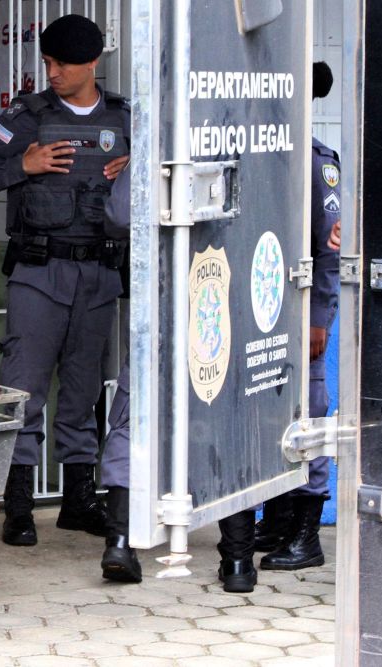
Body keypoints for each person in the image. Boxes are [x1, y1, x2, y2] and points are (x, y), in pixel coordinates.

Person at [0, 14, 130, 547]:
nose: (52, 73)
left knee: (82, 391)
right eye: (49, 62)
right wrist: (23, 166)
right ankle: (18, 505)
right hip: (40, 270)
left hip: (100, 271)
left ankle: (79, 501)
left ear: (92, 63)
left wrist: (136, 169)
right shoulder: (27, 116)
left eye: (63, 64)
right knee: (23, 389)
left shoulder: (126, 118)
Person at [98, 167, 259, 592]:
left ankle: (119, 543)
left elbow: (117, 213)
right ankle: (239, 562)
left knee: (135, 422)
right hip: (229, 300)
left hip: (165, 303)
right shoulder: (249, 127)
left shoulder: (160, 142)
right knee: (229, 421)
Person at [255, 60, 340, 571]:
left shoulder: (314, 161)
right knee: (267, 417)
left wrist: (320, 318)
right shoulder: (265, 151)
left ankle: (307, 536)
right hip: (264, 309)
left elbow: (329, 250)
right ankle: (281, 520)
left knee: (307, 415)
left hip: (302, 308)